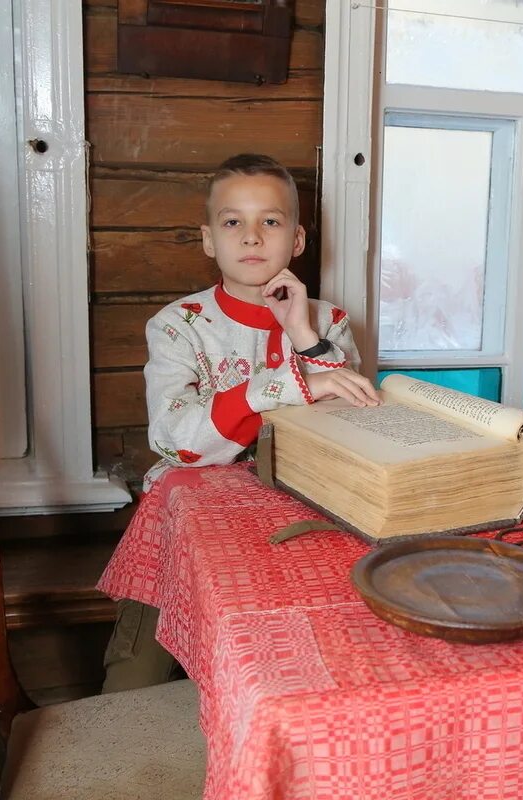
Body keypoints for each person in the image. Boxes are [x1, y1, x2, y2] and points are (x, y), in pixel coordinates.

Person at [101, 153, 380, 693]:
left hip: (294, 514)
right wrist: (279, 385)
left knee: (307, 646)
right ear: (209, 239)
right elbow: (176, 439)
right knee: (137, 665)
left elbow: (353, 424)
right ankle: (115, 739)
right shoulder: (179, 326)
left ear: (297, 240)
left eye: (270, 221)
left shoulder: (331, 322)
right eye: (233, 222)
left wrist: (304, 337)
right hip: (189, 521)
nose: (252, 237)